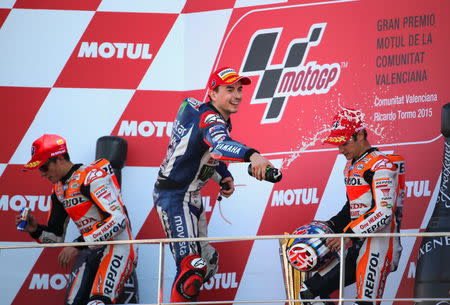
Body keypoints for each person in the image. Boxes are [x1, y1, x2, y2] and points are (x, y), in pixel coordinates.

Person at [153, 66, 275, 302]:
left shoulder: (193, 106)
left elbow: (203, 148)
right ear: (212, 92)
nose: (237, 95)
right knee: (191, 272)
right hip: (175, 197)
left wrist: (222, 174)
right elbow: (218, 144)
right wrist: (254, 155)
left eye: (239, 89)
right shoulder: (211, 121)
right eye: (229, 90)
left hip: (190, 195)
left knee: (204, 265)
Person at [16, 134, 137, 305]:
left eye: (43, 167)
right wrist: (35, 230)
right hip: (92, 250)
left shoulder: (91, 176)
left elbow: (118, 220)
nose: (41, 174)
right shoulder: (58, 190)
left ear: (59, 158)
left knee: (98, 302)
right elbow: (56, 238)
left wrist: (78, 244)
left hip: (118, 247)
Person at [299, 108, 404, 305]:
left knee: (364, 303)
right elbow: (352, 207)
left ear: (361, 135)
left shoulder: (381, 165)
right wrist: (329, 226)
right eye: (337, 145)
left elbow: (384, 213)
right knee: (308, 292)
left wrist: (348, 234)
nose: (340, 150)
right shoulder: (351, 165)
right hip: (356, 243)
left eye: (344, 143)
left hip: (379, 244)